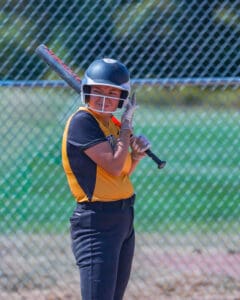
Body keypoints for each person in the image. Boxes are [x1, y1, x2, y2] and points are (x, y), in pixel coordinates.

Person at [62, 58, 151, 300]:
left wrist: (136, 157)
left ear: (123, 97)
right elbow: (112, 166)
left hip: (123, 217)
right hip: (96, 223)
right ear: (87, 91)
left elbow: (119, 174)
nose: (105, 98)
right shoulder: (83, 122)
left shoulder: (108, 124)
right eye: (98, 91)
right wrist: (126, 126)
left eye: (113, 92)